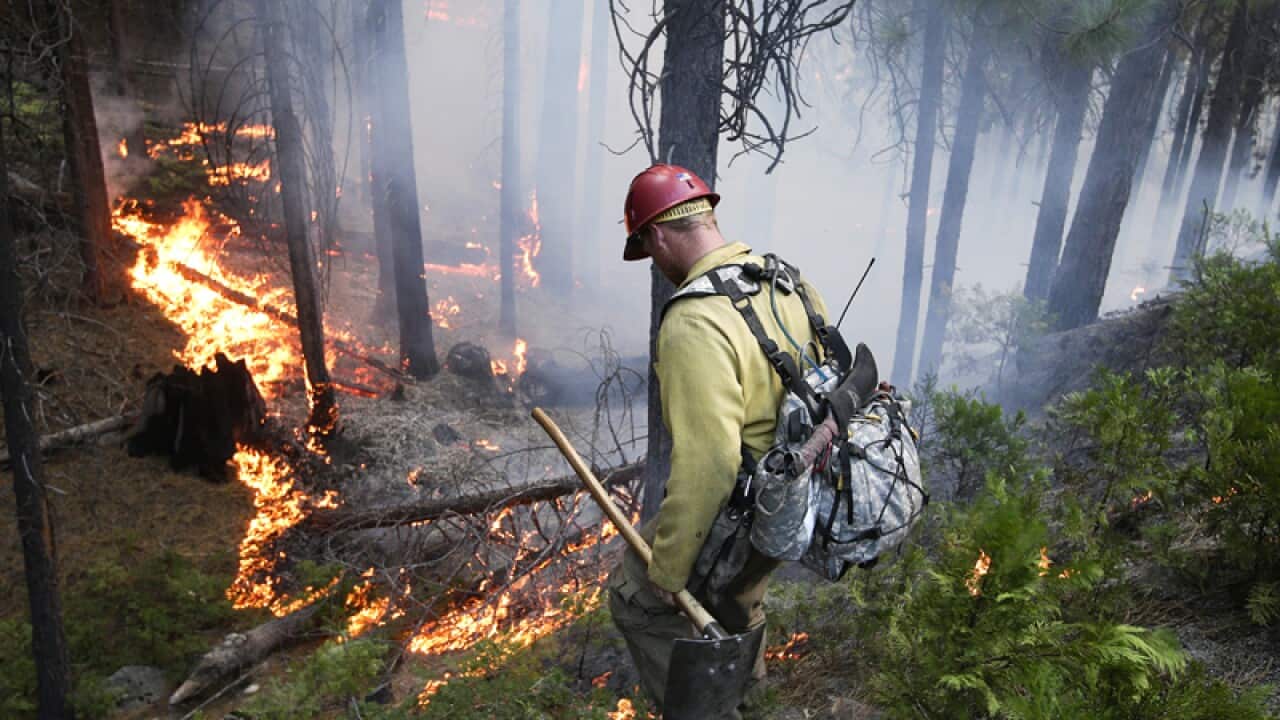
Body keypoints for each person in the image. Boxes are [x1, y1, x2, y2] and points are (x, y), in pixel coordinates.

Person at [607, 164, 831, 718]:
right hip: (793, 504)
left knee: (635, 596)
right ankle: (752, 691)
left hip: (744, 509)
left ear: (657, 236)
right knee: (735, 599)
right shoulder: (784, 279)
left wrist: (668, 569)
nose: (655, 265)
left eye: (648, 249)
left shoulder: (693, 321)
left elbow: (710, 463)